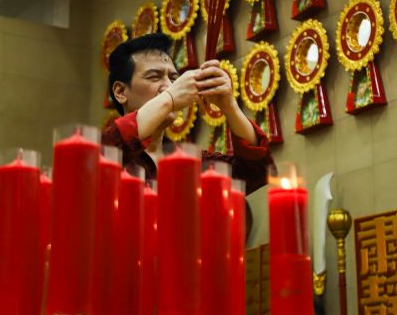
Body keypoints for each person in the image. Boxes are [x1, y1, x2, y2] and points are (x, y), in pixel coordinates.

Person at [102, 33, 273, 194]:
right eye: (154, 77)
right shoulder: (106, 153)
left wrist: (230, 106)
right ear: (120, 92)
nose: (169, 86)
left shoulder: (192, 162)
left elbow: (256, 172)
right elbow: (104, 149)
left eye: (174, 79)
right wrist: (169, 98)